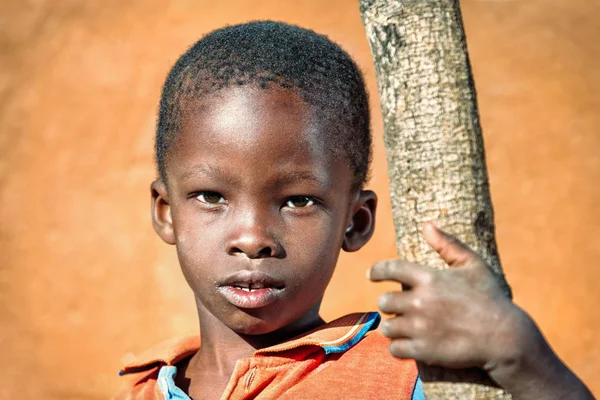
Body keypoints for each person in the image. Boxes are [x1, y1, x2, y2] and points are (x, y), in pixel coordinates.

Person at [114, 21, 594, 400]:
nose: (253, 236)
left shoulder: (411, 375)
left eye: (298, 200)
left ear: (355, 220)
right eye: (211, 196)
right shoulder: (139, 388)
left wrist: (523, 359)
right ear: (165, 211)